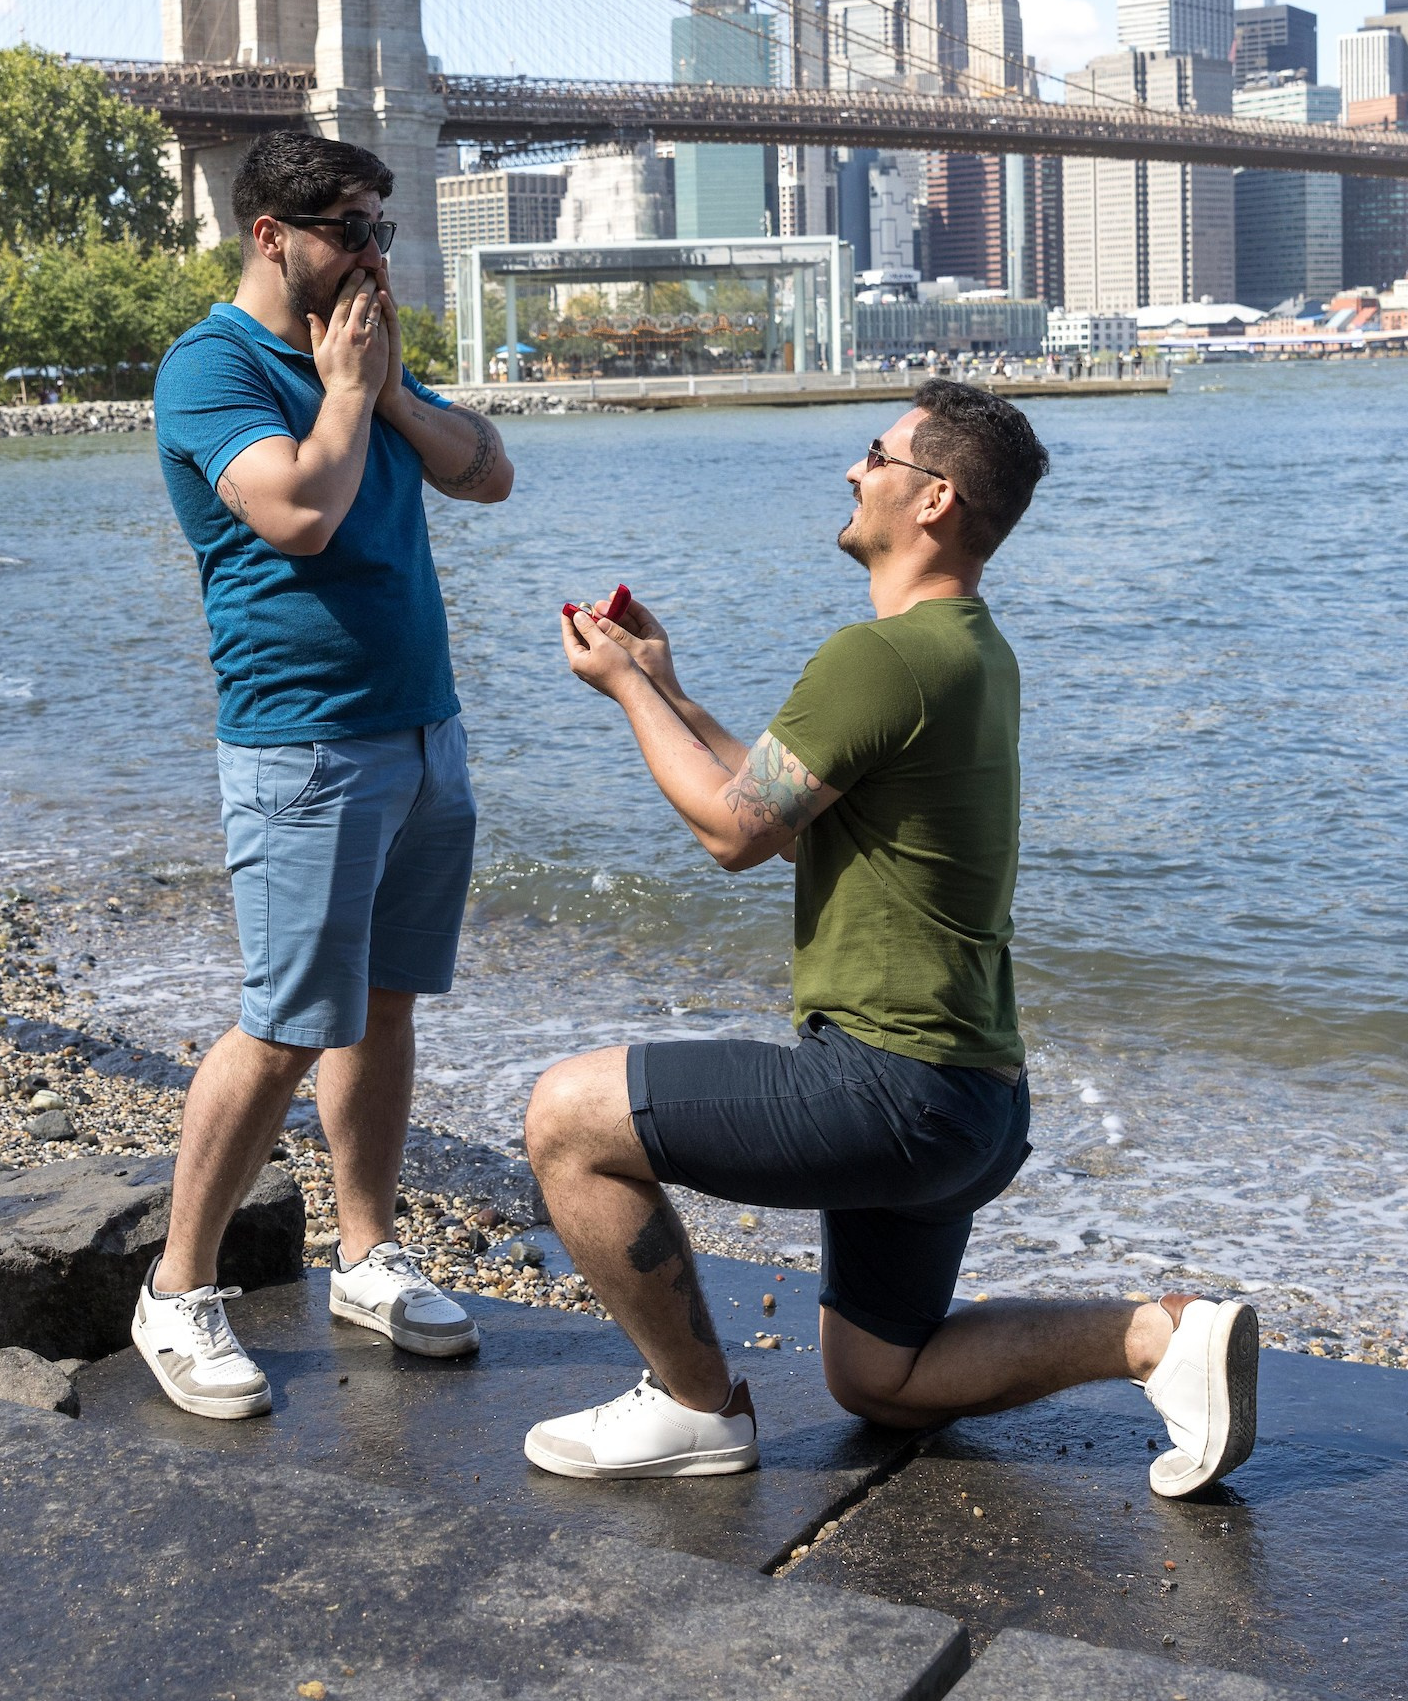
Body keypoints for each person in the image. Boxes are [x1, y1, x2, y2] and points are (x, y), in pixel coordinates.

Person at [521, 379, 1257, 1493]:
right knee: (879, 1376)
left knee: (565, 1117)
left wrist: (625, 689)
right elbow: (783, 804)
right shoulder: (967, 650)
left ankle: (692, 1407)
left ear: (933, 498)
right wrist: (666, 687)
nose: (851, 470)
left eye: (875, 454)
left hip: (889, 1087)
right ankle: (1159, 1337)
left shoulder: (879, 656)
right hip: (973, 1100)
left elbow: (733, 833)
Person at [134, 132, 513, 1418]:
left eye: (380, 231)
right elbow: (296, 511)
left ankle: (365, 1255)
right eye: (347, 229)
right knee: (289, 1020)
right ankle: (177, 1289)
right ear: (269, 237)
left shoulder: (366, 356)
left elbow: (490, 475)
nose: (369, 254)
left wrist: (388, 391)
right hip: (300, 741)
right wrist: (347, 395)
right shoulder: (210, 367)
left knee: (388, 1003)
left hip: (420, 730)